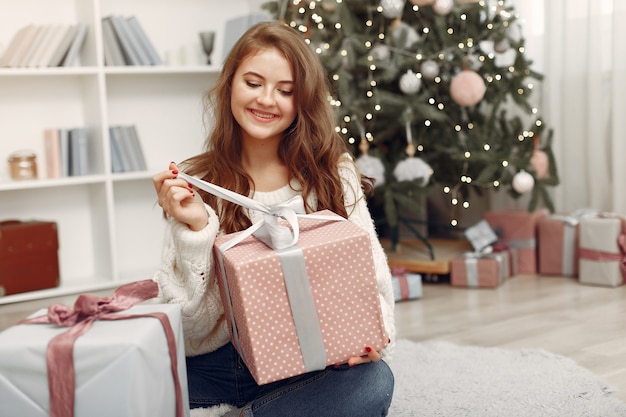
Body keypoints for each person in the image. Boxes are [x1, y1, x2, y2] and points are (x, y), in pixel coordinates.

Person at [151, 21, 396, 417]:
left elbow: (373, 280)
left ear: (303, 102)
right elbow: (190, 330)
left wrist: (370, 341)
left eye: (286, 91)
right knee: (136, 382)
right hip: (218, 364)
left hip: (306, 362)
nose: (267, 100)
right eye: (253, 83)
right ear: (230, 84)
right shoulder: (198, 182)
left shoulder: (333, 173)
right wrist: (197, 229)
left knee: (374, 382)